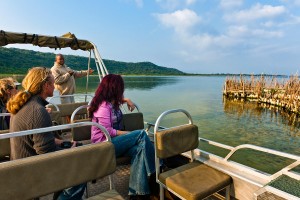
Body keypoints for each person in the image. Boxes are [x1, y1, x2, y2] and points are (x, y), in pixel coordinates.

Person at [7, 67, 86, 200]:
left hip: (20, 166)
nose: (55, 86)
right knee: (82, 168)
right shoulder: (37, 111)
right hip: (30, 172)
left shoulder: (25, 105)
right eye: (53, 82)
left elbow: (36, 141)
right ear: (45, 86)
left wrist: (65, 144)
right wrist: (69, 150)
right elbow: (46, 153)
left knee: (77, 148)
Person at [89, 74, 155, 198]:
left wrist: (127, 100)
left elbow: (120, 100)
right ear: (114, 88)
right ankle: (155, 170)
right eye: (121, 87)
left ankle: (137, 193)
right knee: (141, 134)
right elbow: (107, 131)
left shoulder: (113, 102)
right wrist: (128, 134)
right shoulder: (103, 106)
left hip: (114, 142)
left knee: (139, 150)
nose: (123, 90)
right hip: (103, 146)